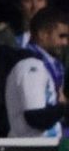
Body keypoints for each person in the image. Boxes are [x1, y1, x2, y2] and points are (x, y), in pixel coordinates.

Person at [5, 7, 67, 137]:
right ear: (43, 35)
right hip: (32, 150)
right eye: (61, 36)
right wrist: (64, 108)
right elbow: (35, 117)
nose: (65, 42)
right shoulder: (31, 66)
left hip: (43, 148)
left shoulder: (44, 66)